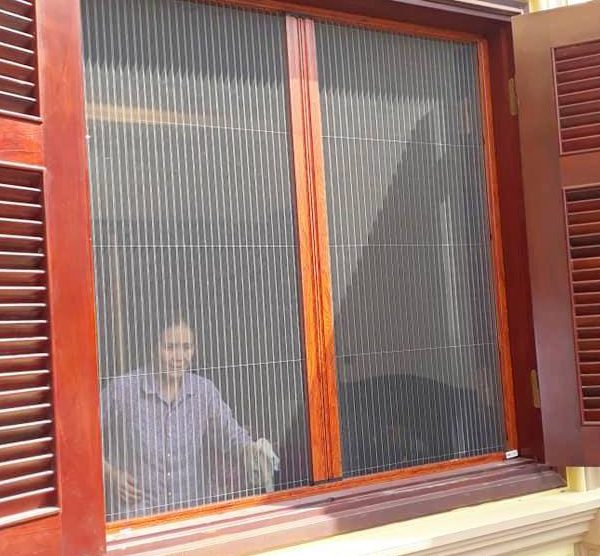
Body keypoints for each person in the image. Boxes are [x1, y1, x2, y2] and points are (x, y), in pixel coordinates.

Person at [101, 314, 278, 520]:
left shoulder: (203, 392)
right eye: (170, 347)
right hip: (137, 519)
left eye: (186, 347)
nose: (179, 357)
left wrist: (251, 450)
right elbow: (82, 439)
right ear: (153, 348)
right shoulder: (124, 390)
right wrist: (110, 475)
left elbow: (231, 436)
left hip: (189, 515)